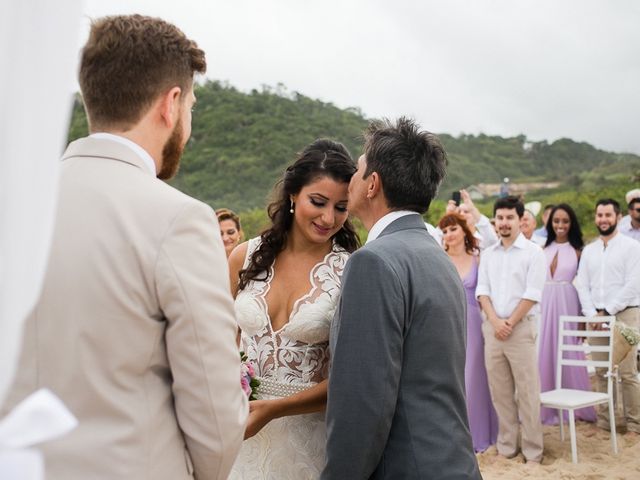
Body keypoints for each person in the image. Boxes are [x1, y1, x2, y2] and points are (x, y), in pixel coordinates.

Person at [0, 15, 248, 480]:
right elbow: (215, 418)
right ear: (170, 105)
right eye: (191, 107)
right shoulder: (181, 220)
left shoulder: (13, 204)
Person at [322, 118, 480, 479]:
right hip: (453, 462)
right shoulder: (438, 257)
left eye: (358, 170)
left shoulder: (372, 261)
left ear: (373, 184)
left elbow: (363, 401)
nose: (352, 180)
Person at [227, 139, 360, 479]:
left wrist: (274, 409)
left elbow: (352, 377)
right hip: (238, 434)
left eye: (342, 207)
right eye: (318, 202)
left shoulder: (353, 271)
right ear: (292, 195)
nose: (328, 218)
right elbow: (217, 344)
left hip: (309, 444)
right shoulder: (244, 257)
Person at [476, 195, 546, 463]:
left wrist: (510, 323)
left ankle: (533, 451)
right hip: (493, 330)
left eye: (509, 218)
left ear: (520, 220)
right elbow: (482, 291)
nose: (504, 223)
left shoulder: (534, 253)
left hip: (521, 330)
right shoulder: (489, 254)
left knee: (528, 393)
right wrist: (494, 321)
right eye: (500, 218)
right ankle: (507, 447)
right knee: (501, 393)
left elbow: (532, 293)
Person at [576, 198, 640, 434]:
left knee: (627, 372)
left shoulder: (632, 247)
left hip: (626, 314)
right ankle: (606, 422)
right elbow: (581, 284)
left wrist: (608, 311)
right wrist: (592, 314)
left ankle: (634, 424)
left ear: (618, 217)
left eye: (608, 215)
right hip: (596, 319)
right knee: (602, 371)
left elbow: (634, 283)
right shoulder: (590, 250)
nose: (603, 219)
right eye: (599, 215)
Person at [439, 213, 498, 452]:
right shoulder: (439, 259)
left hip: (473, 323)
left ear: (464, 230)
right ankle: (451, 435)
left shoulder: (478, 258)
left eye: (452, 229)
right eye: (444, 231)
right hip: (446, 323)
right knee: (450, 377)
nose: (448, 235)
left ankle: (478, 434)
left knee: (473, 377)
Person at [538, 204, 596, 424]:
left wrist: (582, 319)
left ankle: (576, 407)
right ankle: (548, 407)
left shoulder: (578, 250)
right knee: (546, 351)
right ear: (551, 223)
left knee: (570, 351)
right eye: (556, 221)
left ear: (571, 224)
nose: (560, 225)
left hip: (568, 301)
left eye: (565, 221)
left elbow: (583, 285)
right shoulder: (544, 248)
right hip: (546, 301)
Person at [432, 189, 498, 250]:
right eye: (459, 212)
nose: (462, 214)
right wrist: (448, 214)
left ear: (474, 217)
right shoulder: (449, 240)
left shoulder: (481, 240)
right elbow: (435, 241)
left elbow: (492, 241)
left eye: (466, 211)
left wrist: (472, 209)